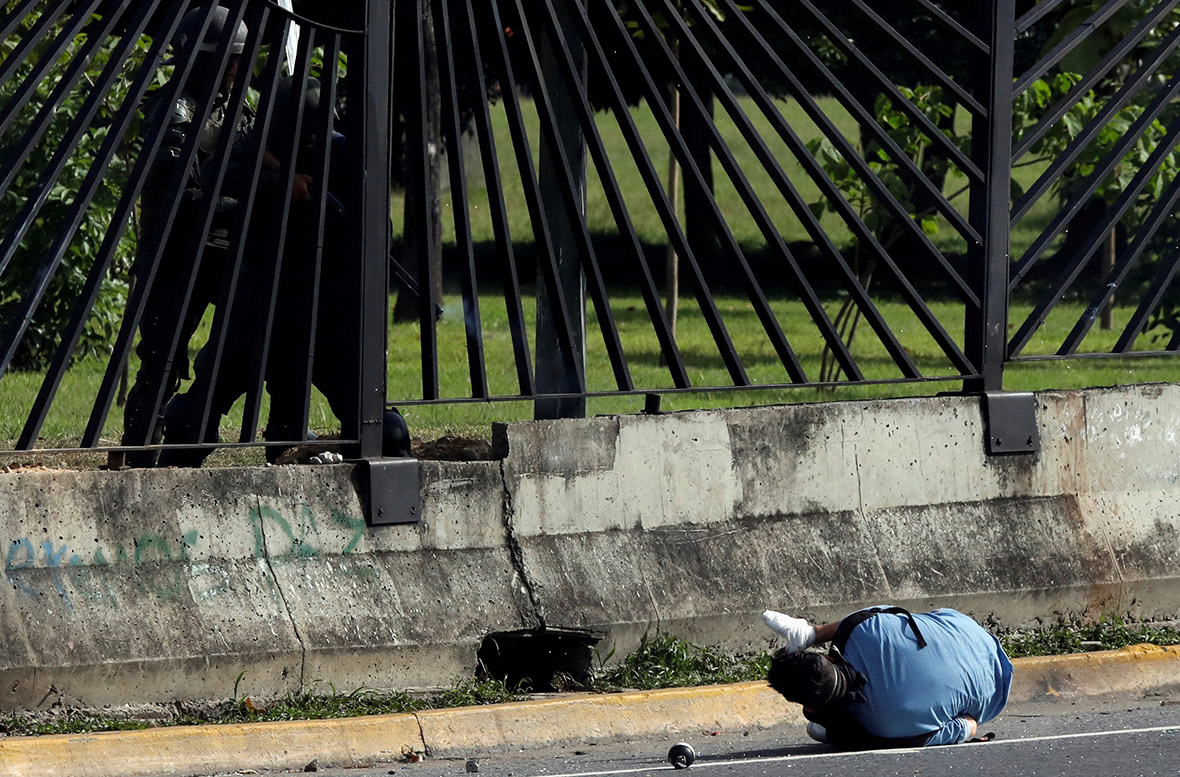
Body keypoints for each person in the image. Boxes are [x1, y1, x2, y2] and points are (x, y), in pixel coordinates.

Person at [116, 6, 251, 468]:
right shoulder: (176, 109)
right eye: (229, 58)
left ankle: (191, 433)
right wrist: (243, 205)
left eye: (239, 57)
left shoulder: (237, 104)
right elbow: (183, 194)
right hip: (176, 252)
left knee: (249, 341)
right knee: (163, 357)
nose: (237, 66)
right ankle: (139, 454)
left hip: (223, 249)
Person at [762, 606, 1013, 750]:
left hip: (996, 690)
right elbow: (895, 615)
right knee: (870, 618)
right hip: (967, 629)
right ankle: (810, 634)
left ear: (810, 706)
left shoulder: (883, 728)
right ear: (827, 659)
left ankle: (805, 634)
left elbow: (968, 725)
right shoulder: (860, 630)